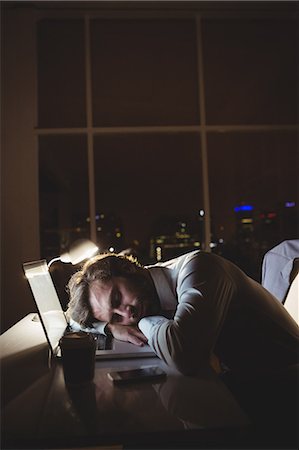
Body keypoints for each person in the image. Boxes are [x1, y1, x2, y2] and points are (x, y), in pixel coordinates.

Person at [66, 250, 299, 377]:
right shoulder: (149, 296)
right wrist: (109, 328)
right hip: (247, 377)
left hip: (284, 381)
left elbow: (184, 355)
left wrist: (146, 321)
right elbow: (73, 320)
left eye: (117, 299)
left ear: (129, 268)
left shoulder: (199, 268)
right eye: (116, 316)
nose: (128, 315)